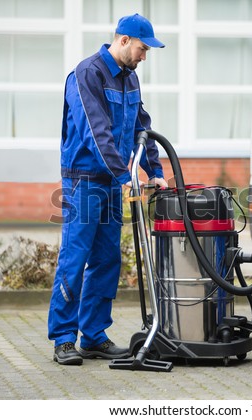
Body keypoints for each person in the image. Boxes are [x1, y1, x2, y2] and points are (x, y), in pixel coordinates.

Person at [48, 13, 169, 366]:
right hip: (84, 182)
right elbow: (95, 132)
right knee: (75, 258)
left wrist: (155, 171)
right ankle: (64, 339)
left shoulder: (130, 80)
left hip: (114, 183)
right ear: (123, 41)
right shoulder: (87, 74)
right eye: (143, 49)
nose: (144, 57)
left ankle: (94, 336)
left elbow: (141, 129)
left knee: (107, 260)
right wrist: (125, 175)